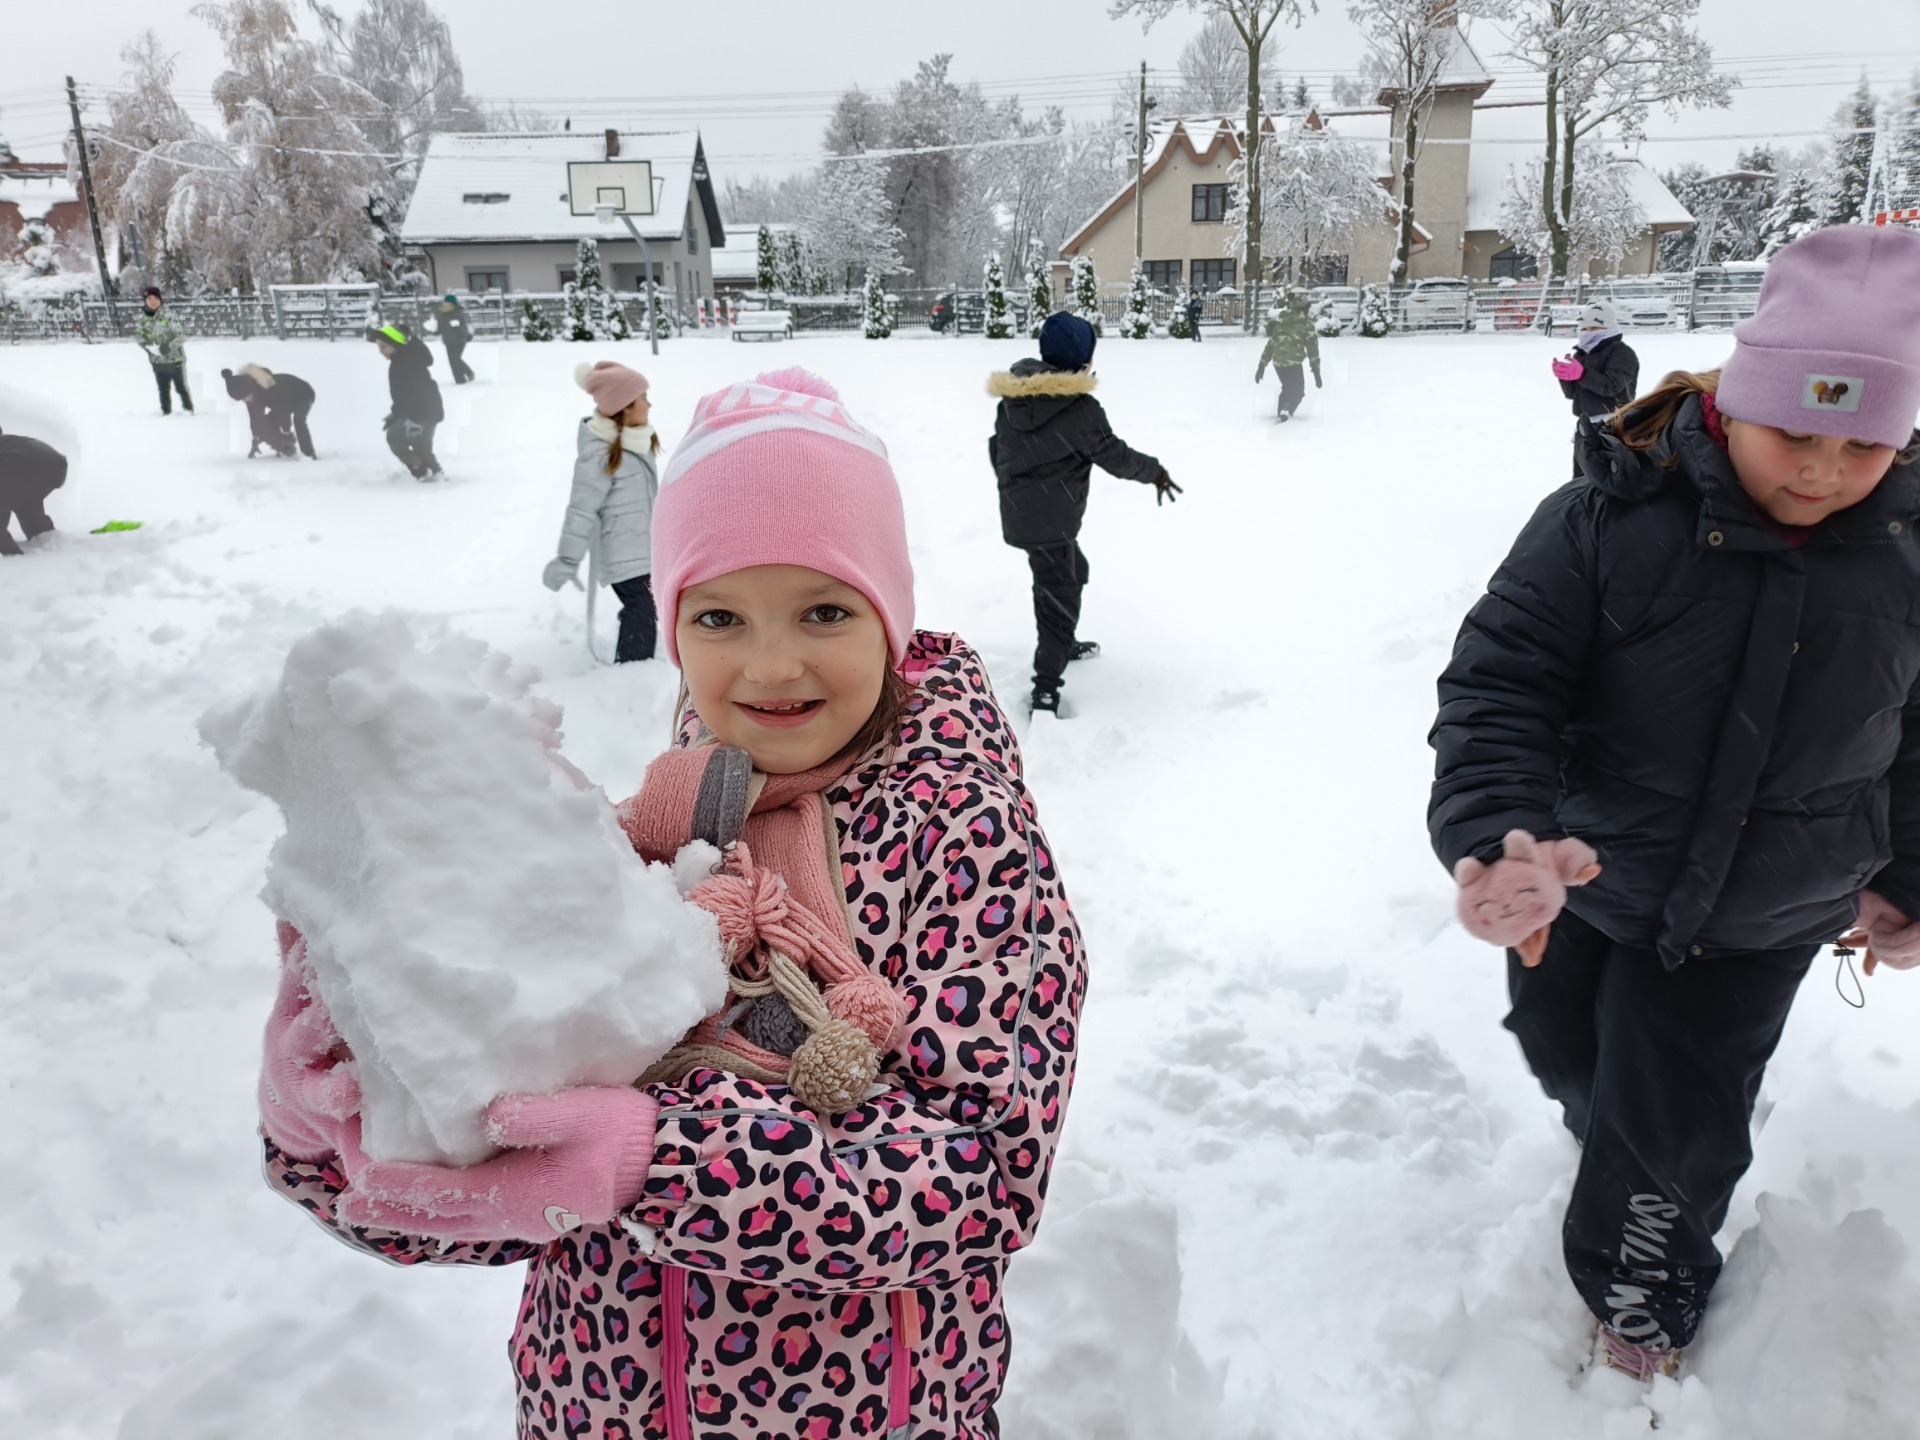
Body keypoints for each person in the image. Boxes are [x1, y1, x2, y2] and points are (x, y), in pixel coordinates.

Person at [254, 364, 1085, 1440]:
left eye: (825, 609)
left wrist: (663, 1164)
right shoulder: (654, 834)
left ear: (890, 617)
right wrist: (331, 1134)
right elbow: (494, 1165)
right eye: (721, 615)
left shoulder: (967, 838)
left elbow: (984, 1178)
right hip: (595, 1400)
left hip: (870, 1410)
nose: (771, 662)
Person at [1429, 225, 1920, 1382]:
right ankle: (1604, 1125)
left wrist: (1906, 875)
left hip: (1763, 916)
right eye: (1794, 429)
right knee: (1570, 1058)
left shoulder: (1905, 549)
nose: (1820, 469)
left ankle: (1643, 1310)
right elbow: (1503, 683)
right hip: (1595, 882)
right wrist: (1505, 840)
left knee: (1672, 1130)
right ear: (1735, 400)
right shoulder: (1608, 520)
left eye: (1862, 444)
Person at [989, 311, 1180, 715]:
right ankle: (1046, 687)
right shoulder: (1079, 409)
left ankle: (1063, 638)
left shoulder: (1014, 400)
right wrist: (1156, 472)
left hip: (1022, 516)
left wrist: (1019, 493)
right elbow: (1116, 456)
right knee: (1060, 592)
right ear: (1081, 363)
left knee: (1071, 572)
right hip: (1053, 523)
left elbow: (997, 449)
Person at [543, 361, 661, 662]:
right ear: (624, 406)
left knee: (650, 606)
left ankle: (638, 664)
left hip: (645, 549)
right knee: (643, 608)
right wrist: (567, 560)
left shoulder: (636, 441)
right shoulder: (600, 454)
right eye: (642, 398)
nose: (649, 404)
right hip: (623, 554)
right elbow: (580, 511)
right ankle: (633, 670)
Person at [1552, 300, 1639, 471]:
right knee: (1581, 478)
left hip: (1613, 426)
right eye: (1584, 328)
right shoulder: (1582, 353)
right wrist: (1565, 377)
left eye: (1593, 328)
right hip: (1586, 425)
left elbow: (1613, 386)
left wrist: (1582, 374)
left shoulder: (1621, 352)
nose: (1587, 333)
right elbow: (1572, 394)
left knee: (1604, 477)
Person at [373, 323, 443, 481]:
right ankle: (417, 465)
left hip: (425, 411)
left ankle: (436, 474)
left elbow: (416, 393)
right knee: (394, 436)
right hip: (411, 412)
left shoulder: (408, 361)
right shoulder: (399, 360)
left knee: (420, 444)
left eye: (384, 346)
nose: (381, 351)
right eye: (379, 347)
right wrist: (397, 413)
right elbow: (402, 395)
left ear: (396, 344)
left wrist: (413, 418)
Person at [1255, 288, 1324, 421]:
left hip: (1278, 362)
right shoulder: (1306, 323)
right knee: (1298, 391)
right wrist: (1316, 370)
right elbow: (1312, 347)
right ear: (1303, 308)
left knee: (1287, 386)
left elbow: (1271, 343)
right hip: (1293, 361)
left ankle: (1283, 412)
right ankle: (1286, 410)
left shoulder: (1281, 320)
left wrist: (1262, 364)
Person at [221, 365, 317, 459]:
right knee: (266, 423)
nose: (245, 400)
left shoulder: (269, 387)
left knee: (298, 421)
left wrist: (287, 435)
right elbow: (255, 417)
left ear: (249, 390)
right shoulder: (252, 396)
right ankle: (281, 448)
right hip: (284, 403)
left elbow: (283, 410)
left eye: (245, 397)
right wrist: (255, 439)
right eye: (242, 399)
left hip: (303, 395)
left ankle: (308, 453)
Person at [0, 424, 67, 556]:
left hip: (28, 466)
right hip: (55, 466)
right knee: (26, 502)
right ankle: (44, 535)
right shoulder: (8, 443)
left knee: (13, 491)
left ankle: (10, 555)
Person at [134, 286, 193, 416]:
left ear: (160, 299)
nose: (153, 301)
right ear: (145, 300)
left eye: (155, 298)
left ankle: (188, 410)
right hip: (157, 361)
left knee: (181, 388)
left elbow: (181, 336)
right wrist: (148, 346)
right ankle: (166, 412)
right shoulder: (142, 319)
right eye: (149, 298)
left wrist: (166, 347)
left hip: (175, 360)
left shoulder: (168, 315)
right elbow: (139, 336)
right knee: (163, 389)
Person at [429, 292, 475, 384]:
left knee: (455, 359)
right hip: (448, 340)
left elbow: (464, 326)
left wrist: (465, 334)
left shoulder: (458, 313)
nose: (446, 304)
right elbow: (439, 328)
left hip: (459, 340)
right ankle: (459, 380)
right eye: (445, 302)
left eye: (449, 303)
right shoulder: (440, 314)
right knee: (452, 361)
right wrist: (434, 331)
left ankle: (469, 372)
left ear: (454, 304)